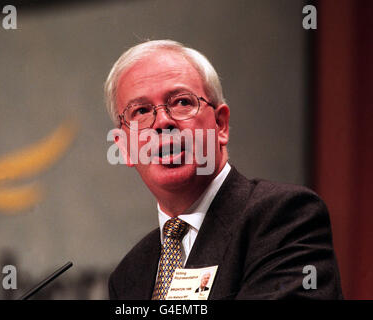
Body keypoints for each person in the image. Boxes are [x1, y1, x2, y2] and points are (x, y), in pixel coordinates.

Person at [104, 39, 343, 299]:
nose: (162, 121)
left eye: (182, 102)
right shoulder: (129, 275)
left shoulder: (285, 218)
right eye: (140, 110)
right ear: (125, 147)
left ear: (221, 125)